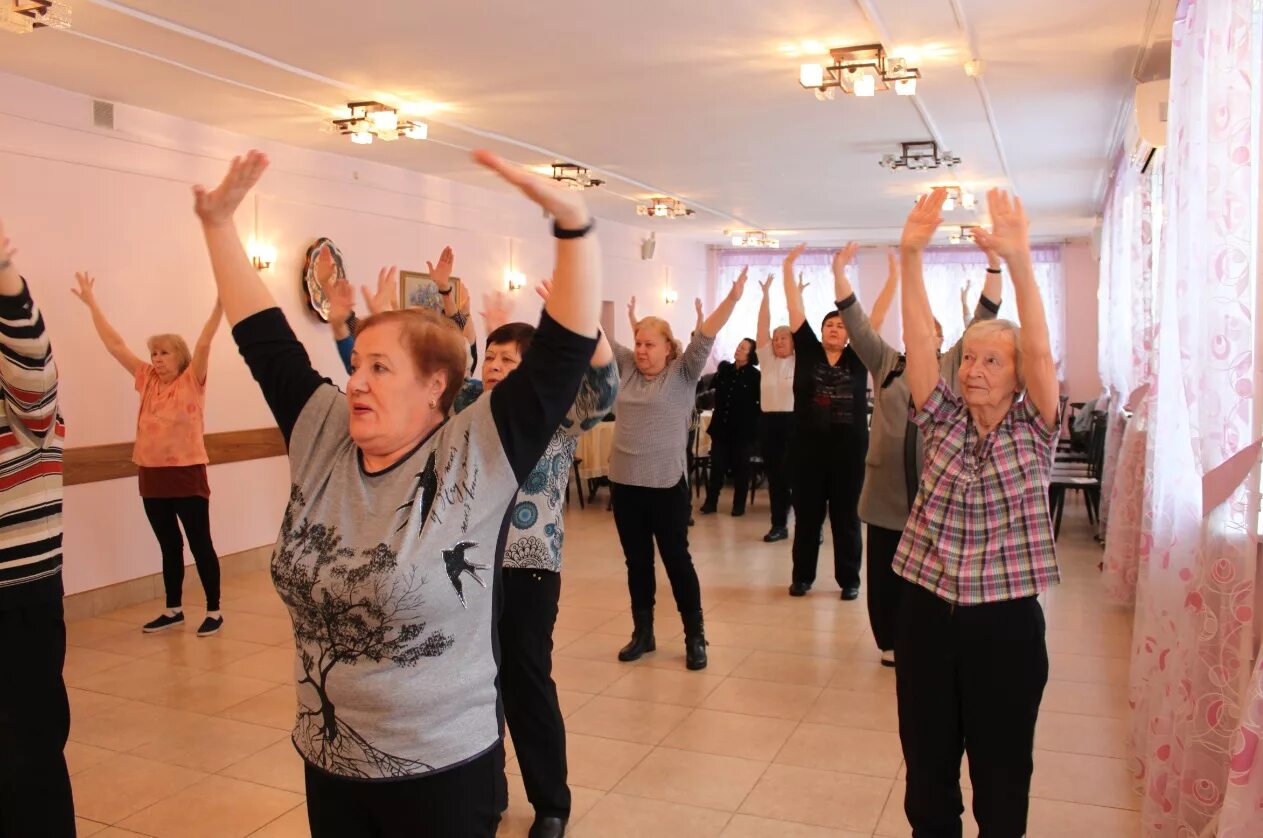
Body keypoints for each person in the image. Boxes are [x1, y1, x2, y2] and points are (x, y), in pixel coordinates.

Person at [193, 149, 600, 837]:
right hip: (329, 755)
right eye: (357, 366)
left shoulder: (476, 452)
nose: (355, 381)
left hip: (440, 767)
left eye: (379, 368)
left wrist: (573, 227)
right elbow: (265, 342)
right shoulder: (322, 430)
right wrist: (218, 224)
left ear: (434, 385)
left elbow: (562, 355)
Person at [323, 275, 617, 838]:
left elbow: (602, 391)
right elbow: (400, 387)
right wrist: (356, 325)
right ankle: (490, 788)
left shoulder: (548, 416)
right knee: (473, 686)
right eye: (496, 358)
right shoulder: (463, 411)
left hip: (527, 570)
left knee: (528, 684)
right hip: (462, 575)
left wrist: (587, 320)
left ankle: (551, 801)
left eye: (512, 360)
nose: (501, 368)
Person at [895, 188, 1061, 836]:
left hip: (1004, 630)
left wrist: (1018, 261)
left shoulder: (1034, 429)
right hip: (926, 619)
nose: (972, 370)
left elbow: (1043, 354)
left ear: (1017, 377)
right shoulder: (939, 422)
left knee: (1000, 778)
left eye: (991, 360)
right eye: (967, 357)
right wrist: (910, 255)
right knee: (926, 778)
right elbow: (915, 343)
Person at [837, 247, 1002, 667]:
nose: (918, 336)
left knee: (933, 573)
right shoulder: (887, 363)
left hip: (937, 495)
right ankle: (889, 641)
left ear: (941, 338)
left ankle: (931, 635)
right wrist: (839, 274)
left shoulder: (953, 366)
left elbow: (984, 318)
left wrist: (995, 265)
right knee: (885, 573)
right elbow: (856, 326)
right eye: (912, 330)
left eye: (927, 330)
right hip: (886, 492)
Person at [73, 273, 226, 636]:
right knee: (169, 544)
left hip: (187, 473)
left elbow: (204, 343)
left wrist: (221, 303)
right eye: (154, 353)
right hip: (151, 475)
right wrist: (92, 302)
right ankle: (174, 609)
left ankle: (214, 610)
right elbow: (115, 345)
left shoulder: (192, 381)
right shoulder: (145, 380)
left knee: (200, 542)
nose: (156, 359)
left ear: (180, 357)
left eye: (164, 352)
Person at [611, 274, 747, 670]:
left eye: (649, 344)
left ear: (668, 349)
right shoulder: (628, 369)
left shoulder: (683, 374)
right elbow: (597, 338)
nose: (640, 350)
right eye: (637, 343)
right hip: (625, 484)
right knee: (637, 562)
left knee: (676, 561)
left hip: (666, 487)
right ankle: (644, 632)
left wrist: (732, 299)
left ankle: (695, 635)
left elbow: (706, 333)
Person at [0, 220, 74, 836]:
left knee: (26, 758)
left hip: (16, 586)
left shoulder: (26, 391)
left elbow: (35, 375)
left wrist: (4, 278)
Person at [781, 244, 868, 601]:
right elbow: (793, 307)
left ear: (849, 334)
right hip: (807, 451)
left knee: (846, 519)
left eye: (840, 325)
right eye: (829, 324)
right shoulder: (809, 350)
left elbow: (869, 316)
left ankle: (849, 580)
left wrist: (842, 273)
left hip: (848, 453)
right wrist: (788, 266)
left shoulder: (861, 356)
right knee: (807, 518)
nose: (835, 328)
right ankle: (802, 577)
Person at [754, 273, 796, 542]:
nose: (778, 341)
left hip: (795, 424)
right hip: (770, 424)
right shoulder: (767, 360)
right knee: (776, 478)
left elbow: (800, 325)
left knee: (799, 479)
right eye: (776, 338)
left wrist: (796, 295)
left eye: (784, 338)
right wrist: (766, 295)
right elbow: (762, 326)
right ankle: (778, 525)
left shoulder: (801, 361)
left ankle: (809, 528)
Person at [699, 337, 760, 517]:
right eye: (738, 345)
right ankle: (711, 502)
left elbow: (759, 405)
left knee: (742, 469)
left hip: (743, 432)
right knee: (717, 467)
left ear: (751, 354)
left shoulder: (755, 376)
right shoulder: (725, 370)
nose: (738, 349)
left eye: (743, 348)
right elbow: (709, 388)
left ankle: (738, 505)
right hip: (721, 428)